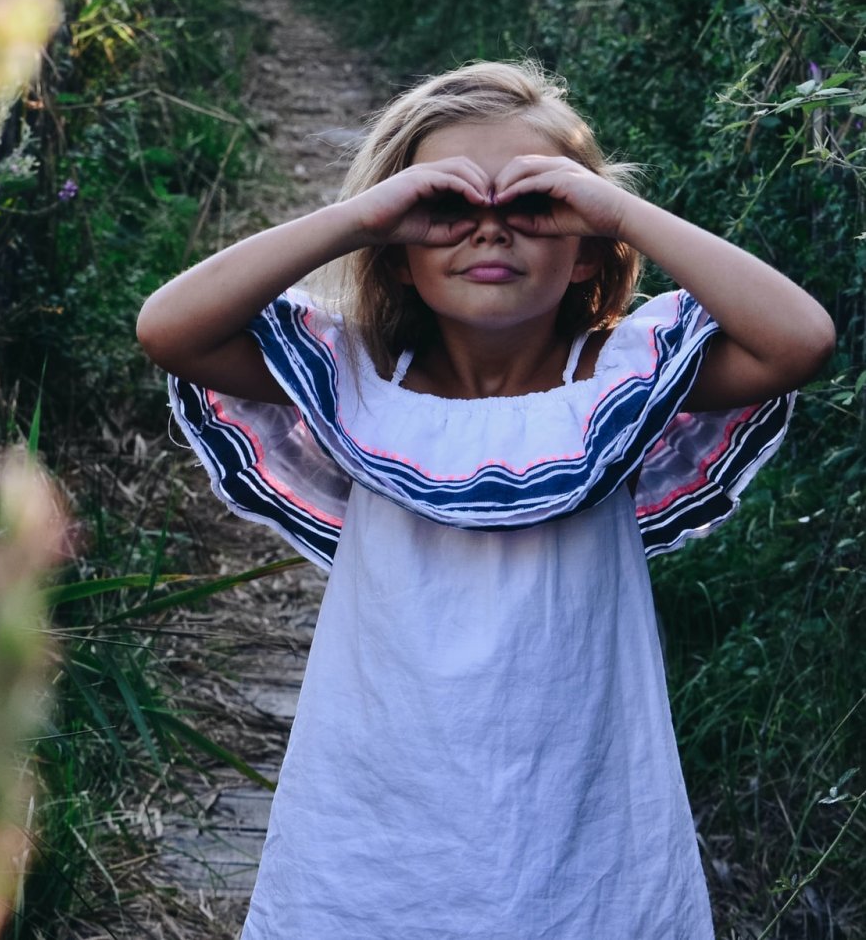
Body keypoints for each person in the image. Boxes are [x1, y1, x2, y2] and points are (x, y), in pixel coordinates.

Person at [135, 61, 834, 939]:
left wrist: (616, 210)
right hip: (377, 804)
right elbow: (168, 327)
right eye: (451, 212)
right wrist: (364, 215)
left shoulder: (622, 381)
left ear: (585, 255)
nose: (491, 233)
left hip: (585, 806)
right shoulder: (356, 379)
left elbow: (801, 340)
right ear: (398, 254)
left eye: (536, 209)